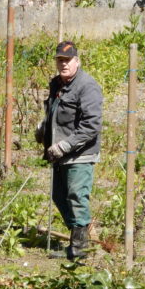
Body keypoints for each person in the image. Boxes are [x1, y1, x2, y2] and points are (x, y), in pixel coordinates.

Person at [35, 41, 103, 260]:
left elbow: (91, 125)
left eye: (67, 60)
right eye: (60, 60)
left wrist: (65, 145)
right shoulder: (57, 83)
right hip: (58, 153)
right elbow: (54, 113)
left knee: (76, 195)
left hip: (79, 153)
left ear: (77, 61)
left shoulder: (87, 86)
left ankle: (79, 249)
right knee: (59, 196)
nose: (63, 65)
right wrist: (43, 129)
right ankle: (81, 236)